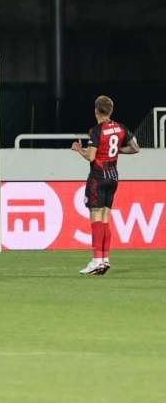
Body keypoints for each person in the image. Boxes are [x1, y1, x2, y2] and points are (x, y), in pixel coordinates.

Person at [71, 95, 139, 276]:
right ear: (111, 110)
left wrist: (79, 150)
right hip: (113, 177)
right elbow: (135, 147)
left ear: (96, 111)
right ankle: (105, 259)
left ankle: (96, 261)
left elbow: (91, 156)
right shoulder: (120, 128)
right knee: (105, 218)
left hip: (98, 178)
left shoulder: (96, 131)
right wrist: (115, 151)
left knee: (96, 217)